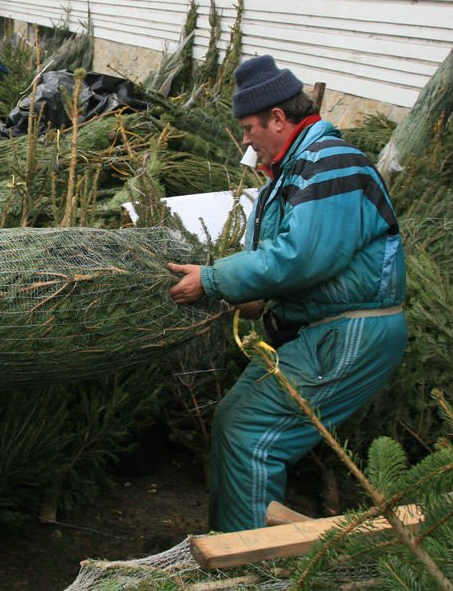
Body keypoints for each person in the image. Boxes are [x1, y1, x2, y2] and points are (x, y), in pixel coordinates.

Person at [167, 55, 406, 532]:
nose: (246, 140)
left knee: (250, 433)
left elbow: (303, 255)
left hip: (349, 333)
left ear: (278, 118)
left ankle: (251, 566)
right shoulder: (298, 170)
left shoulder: (331, 164)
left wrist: (213, 280)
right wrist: (254, 299)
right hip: (321, 330)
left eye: (249, 127)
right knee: (236, 418)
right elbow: (287, 260)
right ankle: (231, 548)